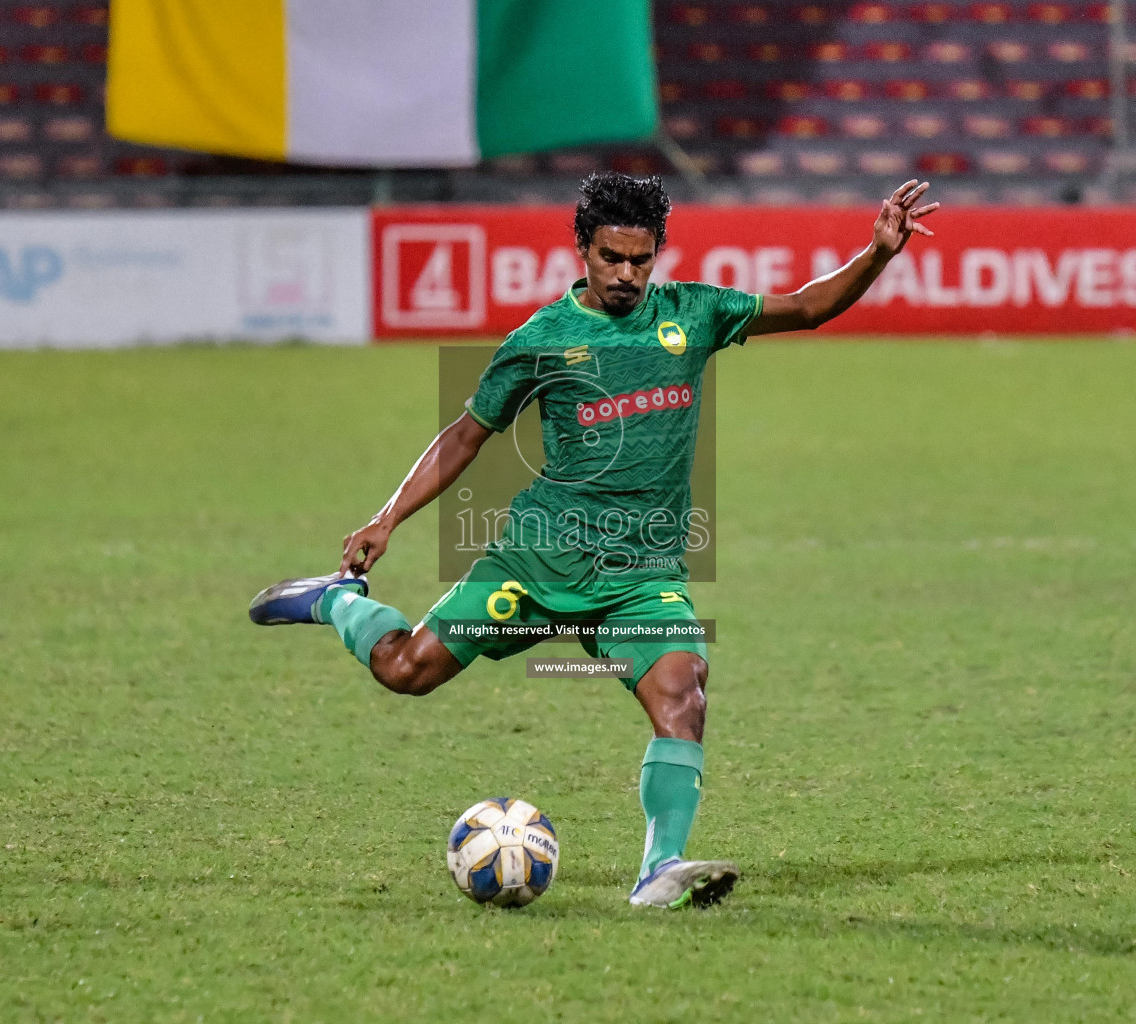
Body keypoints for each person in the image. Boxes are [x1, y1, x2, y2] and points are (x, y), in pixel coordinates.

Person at [249, 172, 938, 908]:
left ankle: (658, 871)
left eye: (641, 260)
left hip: (639, 577)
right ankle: (340, 604)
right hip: (537, 563)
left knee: (683, 691)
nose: (626, 275)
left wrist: (877, 254)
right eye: (611, 257)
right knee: (407, 670)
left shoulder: (693, 314)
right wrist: (388, 517)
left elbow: (805, 307)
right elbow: (466, 435)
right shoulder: (542, 338)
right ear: (582, 249)